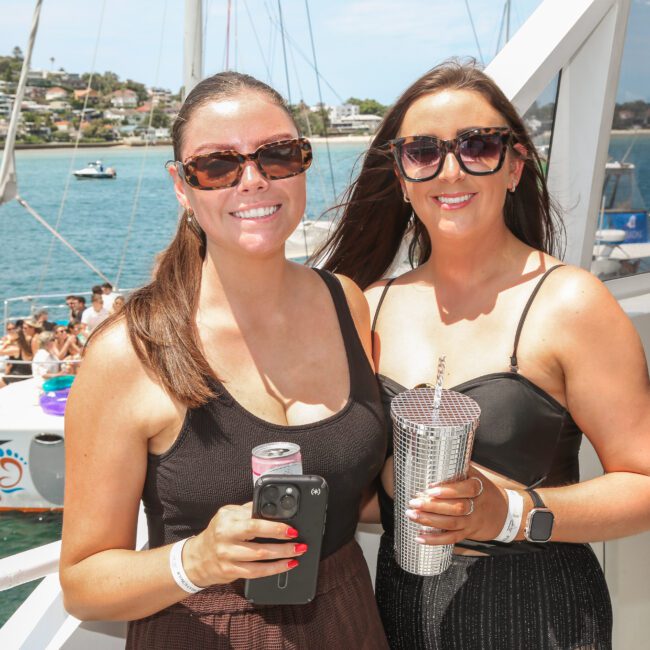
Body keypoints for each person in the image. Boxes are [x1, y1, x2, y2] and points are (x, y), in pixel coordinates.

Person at [316, 60, 650, 649]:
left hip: (541, 615)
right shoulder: (370, 307)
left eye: (477, 146)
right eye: (423, 151)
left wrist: (514, 513)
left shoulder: (571, 303)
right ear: (400, 175)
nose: (450, 169)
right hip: (400, 615)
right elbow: (365, 496)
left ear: (515, 166)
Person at [59, 71, 388, 649]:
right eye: (218, 166)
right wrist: (198, 560)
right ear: (182, 186)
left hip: (348, 623)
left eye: (279, 155)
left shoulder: (348, 305)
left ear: (303, 163)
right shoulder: (131, 352)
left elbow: (354, 494)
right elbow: (83, 584)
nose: (254, 180)